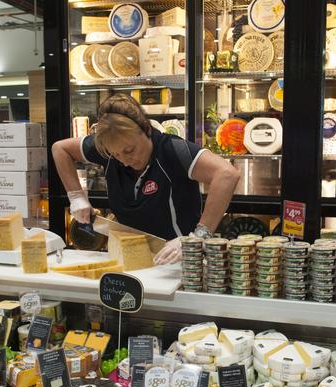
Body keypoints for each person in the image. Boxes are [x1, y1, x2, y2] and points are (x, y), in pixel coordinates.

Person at [51, 93, 239, 265]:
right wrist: (76, 196)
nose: (124, 161)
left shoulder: (172, 150)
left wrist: (198, 236)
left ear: (147, 130)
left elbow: (227, 174)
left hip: (178, 261)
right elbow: (60, 149)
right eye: (115, 154)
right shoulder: (108, 151)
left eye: (129, 150)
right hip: (129, 258)